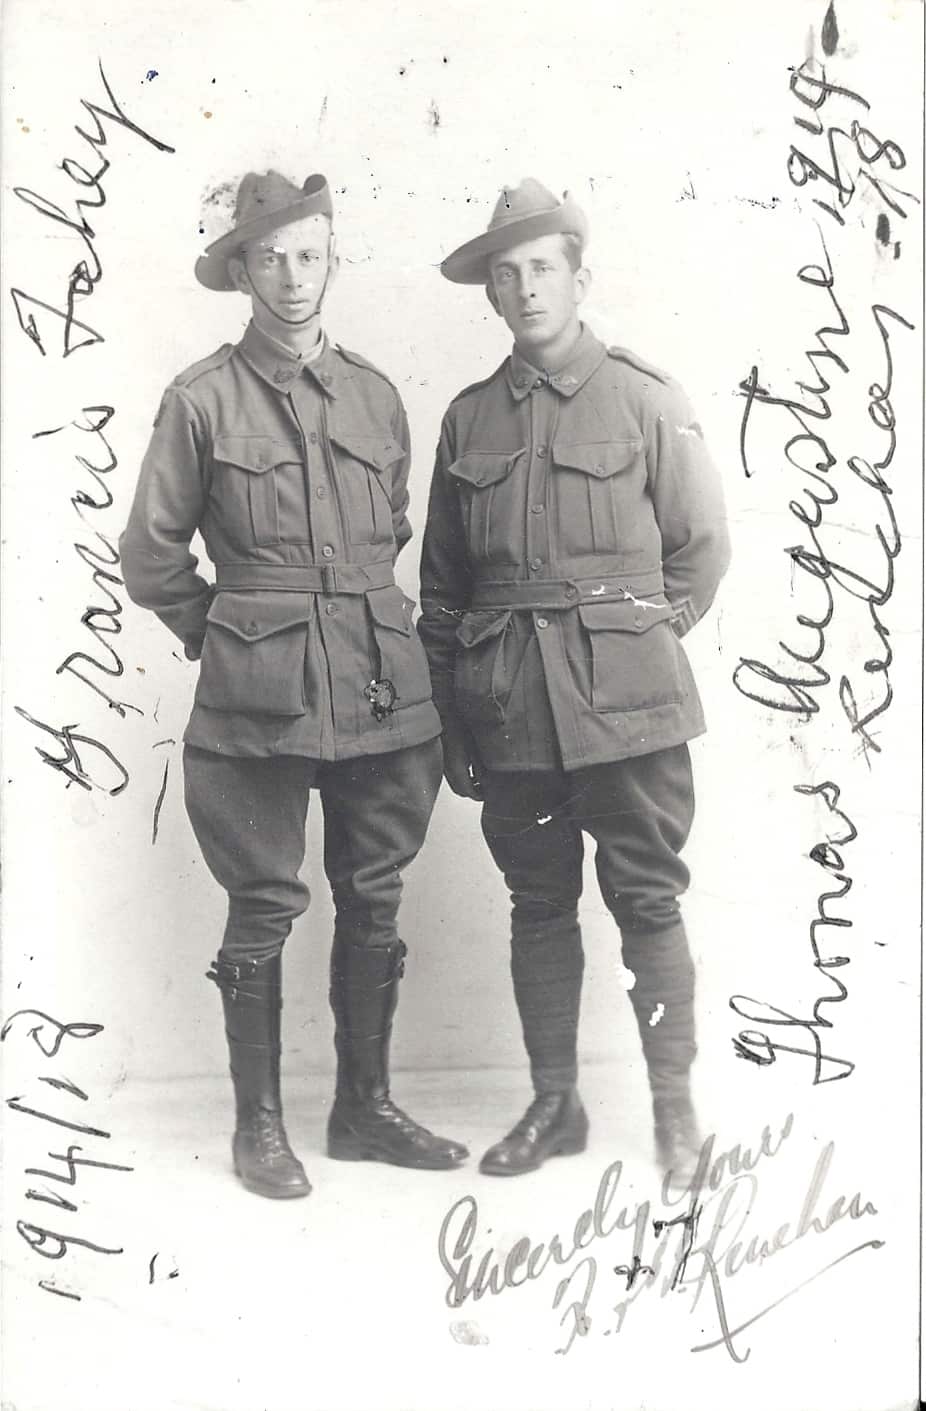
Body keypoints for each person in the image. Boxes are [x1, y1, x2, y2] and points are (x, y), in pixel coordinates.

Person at [120, 170, 467, 1199]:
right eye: (268, 258)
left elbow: (390, 527)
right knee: (264, 900)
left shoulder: (374, 394)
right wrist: (229, 633)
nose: (290, 276)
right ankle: (259, 1127)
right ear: (241, 273)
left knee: (375, 894)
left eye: (308, 254)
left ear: (332, 261)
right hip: (257, 697)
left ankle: (363, 1109)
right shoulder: (200, 400)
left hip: (378, 683)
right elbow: (151, 554)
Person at [418, 178, 730, 1186]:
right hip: (509, 704)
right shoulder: (468, 420)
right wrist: (453, 715)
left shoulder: (646, 397)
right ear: (491, 295)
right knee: (537, 902)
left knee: (647, 900)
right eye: (506, 275)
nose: (525, 288)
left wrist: (637, 644)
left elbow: (700, 550)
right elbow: (443, 587)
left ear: (578, 278)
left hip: (630, 710)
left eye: (542, 268)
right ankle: (554, 1103)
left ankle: (673, 1112)